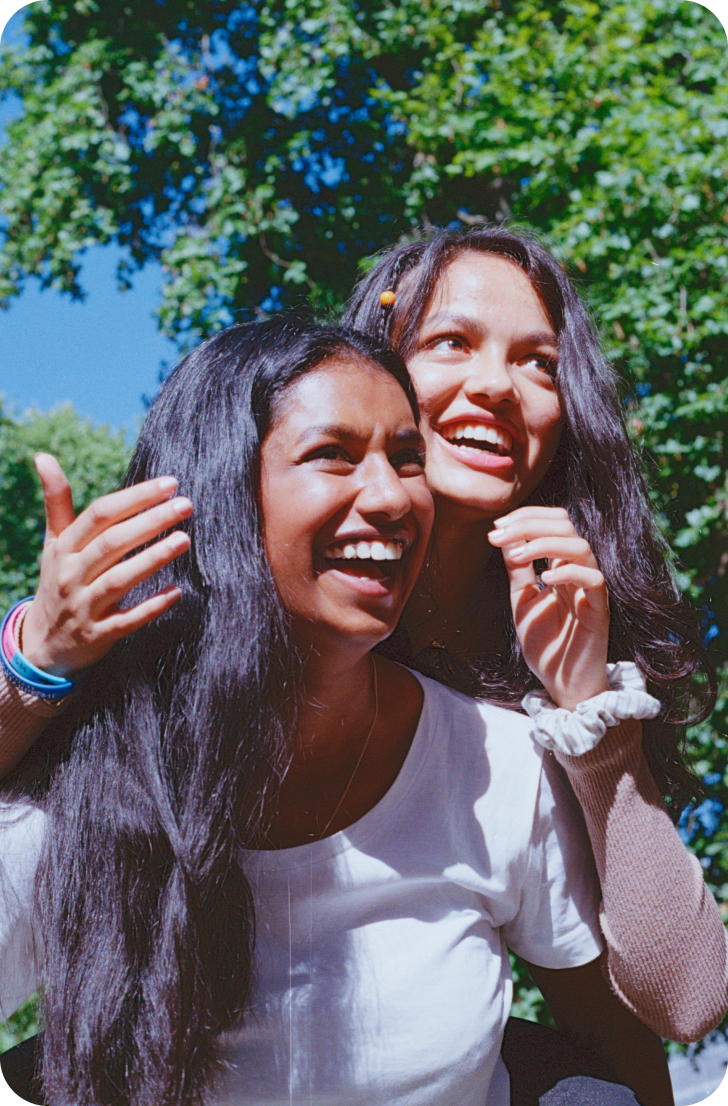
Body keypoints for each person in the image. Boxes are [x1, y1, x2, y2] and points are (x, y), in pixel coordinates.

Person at [0, 319, 670, 1106]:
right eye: (332, 455)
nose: (391, 497)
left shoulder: (502, 763)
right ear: (218, 496)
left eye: (408, 458)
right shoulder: (89, 785)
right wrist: (30, 665)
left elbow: (639, 1036)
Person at [342, 225, 728, 1048]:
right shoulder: (276, 592)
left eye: (538, 362)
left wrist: (592, 715)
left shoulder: (572, 631)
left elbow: (683, 1004)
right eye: (451, 341)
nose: (499, 386)